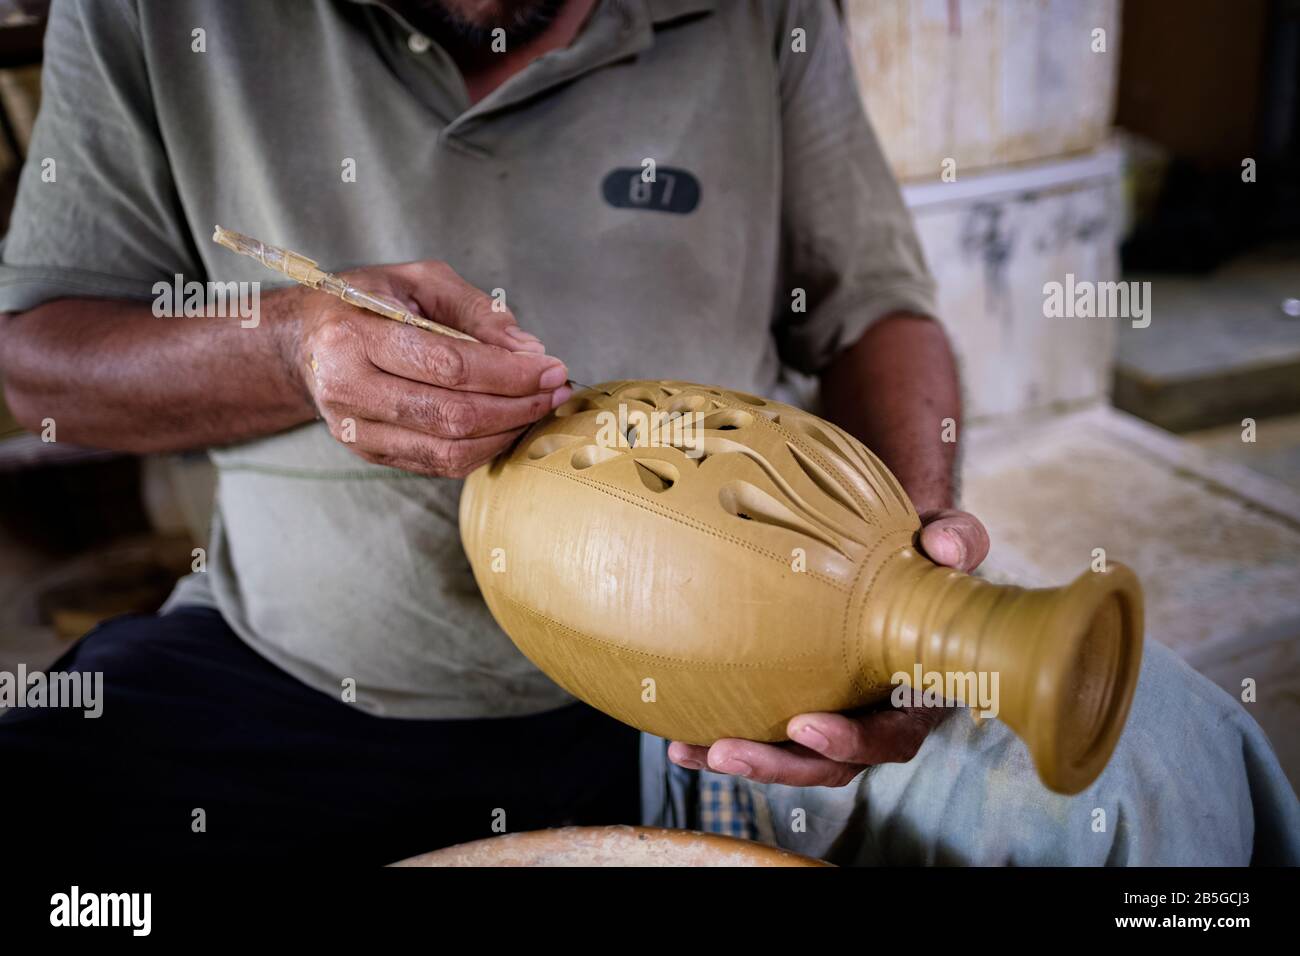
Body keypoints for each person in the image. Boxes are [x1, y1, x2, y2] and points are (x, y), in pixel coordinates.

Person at [1, 0, 1294, 866]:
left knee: (1164, 765)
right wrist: (284, 346)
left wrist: (903, 572)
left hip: (729, 708)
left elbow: (877, 314)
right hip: (298, 679)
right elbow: (37, 357)